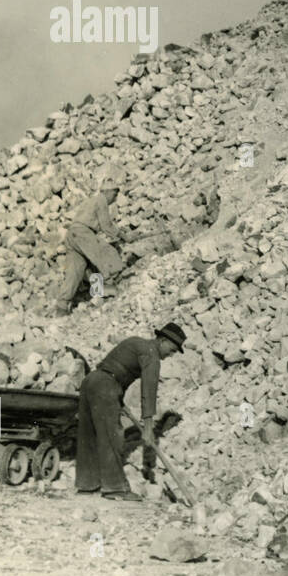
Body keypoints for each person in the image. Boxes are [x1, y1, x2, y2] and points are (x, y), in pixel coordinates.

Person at [75, 322, 187, 500]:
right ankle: (115, 488)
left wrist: (118, 399)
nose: (170, 355)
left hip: (91, 381)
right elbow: (148, 391)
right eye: (171, 350)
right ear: (163, 341)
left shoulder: (136, 342)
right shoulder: (152, 354)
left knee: (88, 435)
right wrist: (149, 427)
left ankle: (87, 485)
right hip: (106, 386)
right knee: (112, 435)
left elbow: (115, 368)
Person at [55, 182, 126, 314]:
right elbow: (106, 225)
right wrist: (123, 236)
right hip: (83, 233)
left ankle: (62, 306)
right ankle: (109, 286)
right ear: (108, 192)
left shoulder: (91, 201)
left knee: (75, 271)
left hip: (72, 234)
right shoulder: (101, 200)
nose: (115, 199)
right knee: (105, 253)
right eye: (115, 194)